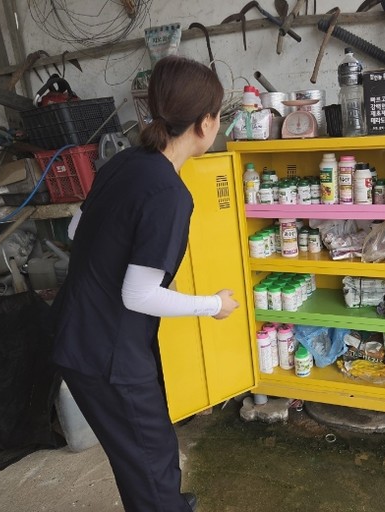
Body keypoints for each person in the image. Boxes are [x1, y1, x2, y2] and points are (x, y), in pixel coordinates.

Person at [51, 55, 239, 512]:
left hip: (74, 333)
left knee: (140, 454)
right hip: (108, 354)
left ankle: (162, 500)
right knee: (150, 457)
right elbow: (138, 294)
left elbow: (76, 230)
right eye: (217, 116)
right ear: (204, 123)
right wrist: (213, 305)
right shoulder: (170, 195)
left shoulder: (125, 162)